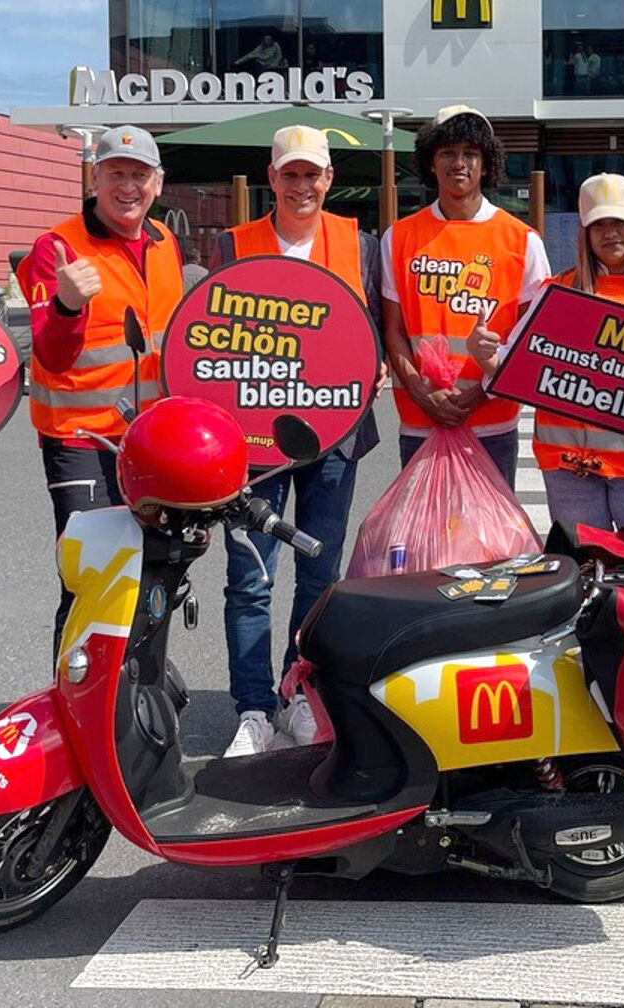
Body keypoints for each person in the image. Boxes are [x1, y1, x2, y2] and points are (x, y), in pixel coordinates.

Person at [210, 126, 383, 757]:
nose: (302, 185)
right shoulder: (235, 245)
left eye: (313, 174)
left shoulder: (359, 244)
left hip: (333, 439)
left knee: (320, 577)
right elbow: (210, 338)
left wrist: (379, 364)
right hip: (253, 441)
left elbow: (376, 331)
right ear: (272, 177)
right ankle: (253, 708)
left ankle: (300, 693)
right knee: (250, 578)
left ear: (329, 179)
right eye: (290, 173)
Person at [16, 125, 181, 648]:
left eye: (139, 175)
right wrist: (66, 304)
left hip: (153, 442)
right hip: (82, 439)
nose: (127, 186)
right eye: (116, 173)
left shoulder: (165, 241)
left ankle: (140, 697)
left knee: (154, 575)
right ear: (94, 178)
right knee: (91, 577)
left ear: (158, 183)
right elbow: (52, 355)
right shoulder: (57, 248)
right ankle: (77, 707)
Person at [472, 172, 624, 531]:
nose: (609, 233)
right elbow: (512, 365)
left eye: (619, 223)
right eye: (598, 225)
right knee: (582, 580)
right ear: (585, 234)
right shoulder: (555, 292)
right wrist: (483, 352)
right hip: (568, 470)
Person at [381, 105, 550, 484]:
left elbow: (533, 339)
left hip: (493, 424)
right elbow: (393, 330)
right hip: (420, 421)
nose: (459, 163)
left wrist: (478, 395)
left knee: (491, 541)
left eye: (471, 154)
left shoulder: (523, 241)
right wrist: (425, 395)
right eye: (447, 153)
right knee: (425, 540)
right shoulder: (398, 237)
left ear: (487, 164)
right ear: (430, 162)